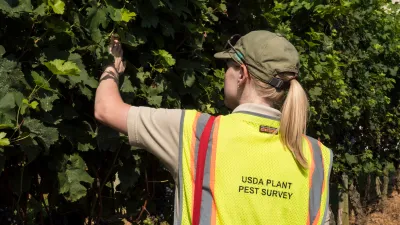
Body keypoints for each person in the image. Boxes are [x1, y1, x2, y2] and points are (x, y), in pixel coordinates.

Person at [95, 30, 333, 225]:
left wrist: (111, 67)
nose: (224, 74)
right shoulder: (317, 156)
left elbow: (106, 109)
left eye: (228, 65)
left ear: (242, 73)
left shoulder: (196, 132)